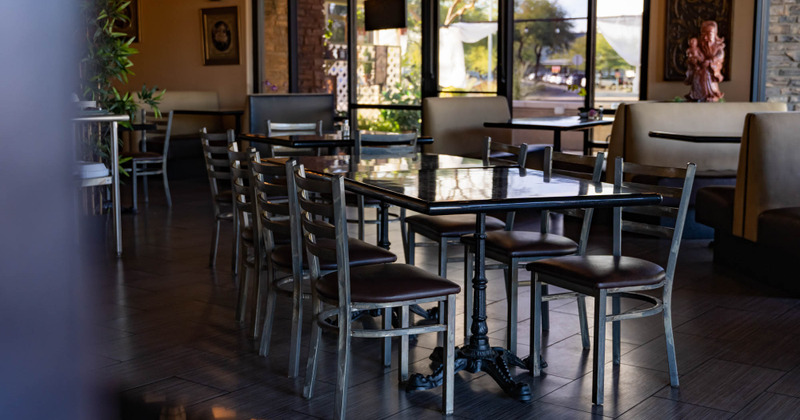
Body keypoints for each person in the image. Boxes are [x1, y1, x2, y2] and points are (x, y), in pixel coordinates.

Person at [685, 20, 725, 102]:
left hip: (710, 70)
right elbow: (695, 54)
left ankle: (712, 94)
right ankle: (696, 95)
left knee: (708, 78)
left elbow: (720, 55)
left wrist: (710, 62)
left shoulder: (718, 47)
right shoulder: (700, 46)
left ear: (715, 34)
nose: (705, 37)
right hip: (700, 69)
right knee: (698, 76)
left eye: (709, 34)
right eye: (703, 34)